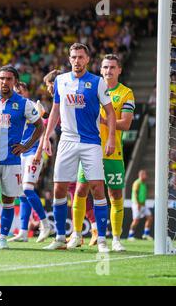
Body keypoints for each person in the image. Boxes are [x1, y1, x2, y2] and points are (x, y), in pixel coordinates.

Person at [42, 43, 116, 253]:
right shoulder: (60, 80)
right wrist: (47, 138)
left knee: (97, 188)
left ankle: (101, 239)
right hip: (67, 140)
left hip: (91, 142)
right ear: (69, 59)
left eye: (81, 57)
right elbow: (55, 109)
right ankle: (59, 238)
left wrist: (110, 138)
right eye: (73, 57)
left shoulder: (97, 82)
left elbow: (110, 112)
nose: (77, 60)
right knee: (59, 188)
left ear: (87, 59)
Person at [69, 54, 135, 252]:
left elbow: (126, 123)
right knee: (81, 190)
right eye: (105, 67)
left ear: (119, 70)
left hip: (113, 152)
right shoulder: (92, 88)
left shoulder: (125, 93)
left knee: (114, 193)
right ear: (100, 70)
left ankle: (115, 238)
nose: (108, 71)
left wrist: (105, 120)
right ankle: (77, 234)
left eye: (112, 67)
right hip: (90, 148)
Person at [0, 66, 43, 250]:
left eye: (9, 79)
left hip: (12, 160)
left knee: (8, 200)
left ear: (15, 81)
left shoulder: (24, 103)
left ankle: (3, 237)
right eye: (2, 78)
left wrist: (26, 146)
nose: (5, 82)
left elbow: (39, 126)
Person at [9, 81, 53, 243]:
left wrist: (40, 151)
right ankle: (23, 231)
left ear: (27, 92)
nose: (18, 94)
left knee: (27, 188)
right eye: (16, 91)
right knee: (21, 192)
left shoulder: (35, 106)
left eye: (21, 91)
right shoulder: (13, 108)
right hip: (19, 153)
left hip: (34, 152)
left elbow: (45, 129)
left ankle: (45, 224)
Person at [128, 169, 153, 241]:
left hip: (143, 205)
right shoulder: (137, 183)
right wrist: (138, 203)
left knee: (150, 218)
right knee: (136, 220)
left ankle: (146, 234)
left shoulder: (144, 183)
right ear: (141, 175)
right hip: (137, 204)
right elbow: (135, 193)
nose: (147, 176)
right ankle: (130, 235)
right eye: (145, 174)